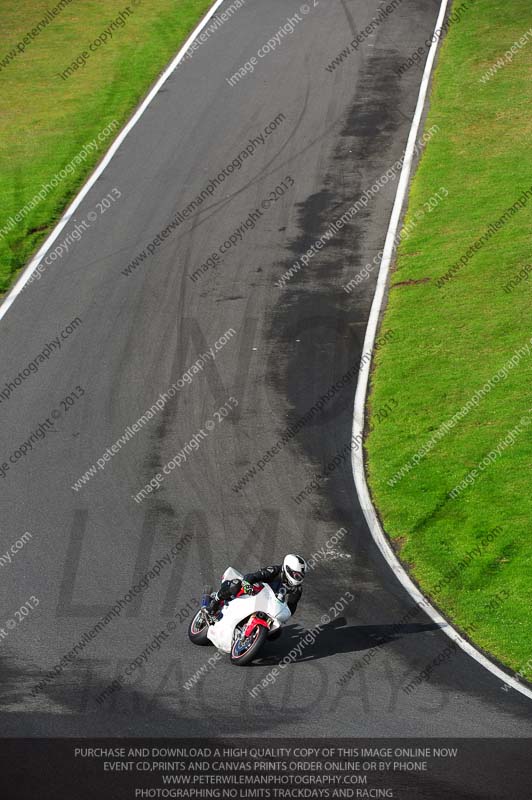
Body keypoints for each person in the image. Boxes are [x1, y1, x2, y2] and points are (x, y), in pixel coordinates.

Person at [206, 554, 307, 616]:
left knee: (276, 633)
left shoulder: (297, 589)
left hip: (269, 604)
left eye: (301, 575)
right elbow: (253, 576)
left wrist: (283, 616)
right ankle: (215, 601)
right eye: (296, 575)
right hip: (254, 591)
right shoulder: (274, 571)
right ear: (288, 569)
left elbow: (291, 607)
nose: (298, 578)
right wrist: (246, 584)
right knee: (236, 585)